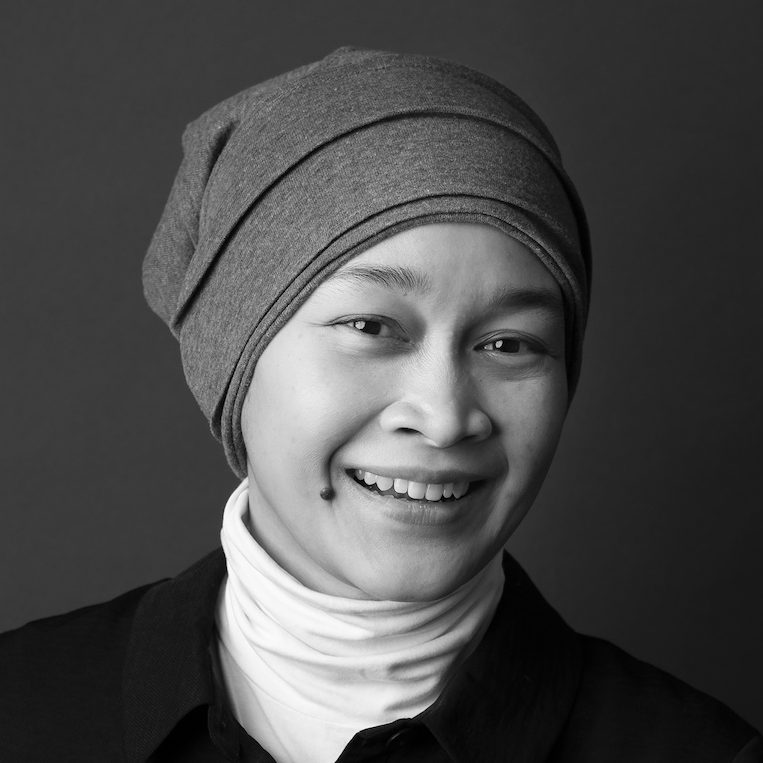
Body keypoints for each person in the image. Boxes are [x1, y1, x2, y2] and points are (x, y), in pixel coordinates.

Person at [0, 47, 760, 762]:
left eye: (507, 343)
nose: (444, 416)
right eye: (370, 327)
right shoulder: (22, 709)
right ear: (234, 354)